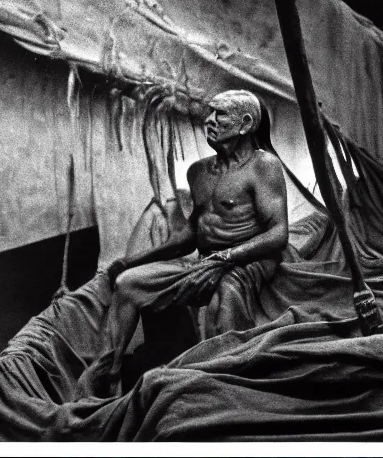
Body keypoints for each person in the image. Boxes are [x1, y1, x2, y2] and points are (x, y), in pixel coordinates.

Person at [74, 89, 288, 399]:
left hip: (249, 261)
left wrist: (228, 257)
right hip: (206, 262)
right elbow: (192, 234)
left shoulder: (263, 166)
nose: (209, 120)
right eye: (209, 113)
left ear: (245, 124)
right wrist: (134, 260)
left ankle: (224, 389)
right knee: (128, 284)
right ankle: (111, 372)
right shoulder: (198, 171)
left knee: (224, 296)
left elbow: (278, 234)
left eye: (219, 114)